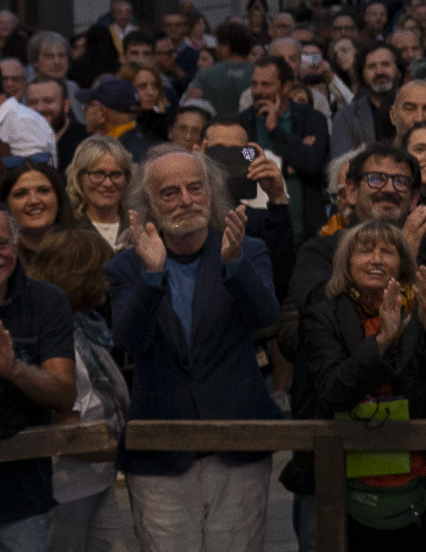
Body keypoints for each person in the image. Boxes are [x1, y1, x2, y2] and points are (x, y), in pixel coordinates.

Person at [107, 145, 279, 552]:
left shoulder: (247, 249)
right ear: (149, 204)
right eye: (169, 192)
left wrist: (234, 263)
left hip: (237, 441)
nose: (186, 200)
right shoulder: (126, 266)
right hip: (160, 451)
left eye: (195, 188)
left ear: (211, 191)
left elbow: (266, 316)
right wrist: (152, 277)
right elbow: (129, 341)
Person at [297, 220, 426, 552]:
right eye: (365, 251)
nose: (376, 259)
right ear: (347, 263)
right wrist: (382, 340)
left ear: (402, 264)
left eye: (387, 252)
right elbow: (333, 391)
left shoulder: (422, 305)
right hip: (350, 478)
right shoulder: (324, 315)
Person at [26, 227, 129, 552]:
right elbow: (64, 434)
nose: (108, 282)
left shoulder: (88, 326)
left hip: (99, 476)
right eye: (102, 273)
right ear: (80, 276)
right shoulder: (48, 338)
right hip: (63, 487)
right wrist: (133, 448)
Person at [0, 198, 77, 552]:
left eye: (0, 243)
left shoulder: (47, 301)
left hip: (20, 499)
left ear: (15, 245)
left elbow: (64, 395)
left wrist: (15, 370)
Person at [241, 56, 330, 242]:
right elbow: (244, 162)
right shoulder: (243, 122)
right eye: (254, 84)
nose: (258, 91)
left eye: (266, 84)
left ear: (286, 87)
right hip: (256, 231)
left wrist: (275, 130)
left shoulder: (311, 119)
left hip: (305, 232)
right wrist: (287, 167)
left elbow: (312, 164)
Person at [327, 42, 402, 156]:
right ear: (362, 73)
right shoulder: (346, 116)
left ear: (399, 70)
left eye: (385, 64)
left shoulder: (415, 108)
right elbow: (341, 160)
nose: (379, 71)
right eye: (371, 67)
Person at [64, 137, 133, 253]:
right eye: (98, 174)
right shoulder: (66, 230)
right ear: (79, 178)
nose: (108, 183)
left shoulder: (139, 227)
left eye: (116, 175)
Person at [0, 164, 76, 261]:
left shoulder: (87, 251)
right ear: (5, 205)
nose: (34, 201)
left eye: (43, 191)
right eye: (21, 194)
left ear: (59, 198)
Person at [188, 23, 256, 121]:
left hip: (215, 126)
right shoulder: (259, 73)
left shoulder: (206, 73)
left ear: (225, 46)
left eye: (218, 43)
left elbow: (191, 104)